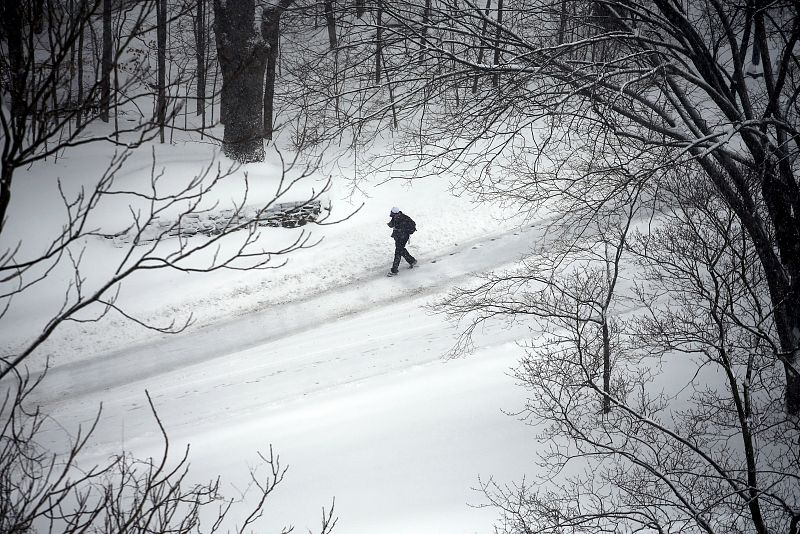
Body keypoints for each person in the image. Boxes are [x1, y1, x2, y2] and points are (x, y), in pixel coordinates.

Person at [387, 206, 417, 276]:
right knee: (401, 250)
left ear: (394, 213)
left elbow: (401, 227)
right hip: (398, 237)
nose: (390, 213)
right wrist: (390, 225)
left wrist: (400, 230)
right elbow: (393, 224)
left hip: (403, 237)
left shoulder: (402, 218)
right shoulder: (396, 217)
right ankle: (412, 261)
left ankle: (394, 270)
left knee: (398, 252)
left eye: (391, 212)